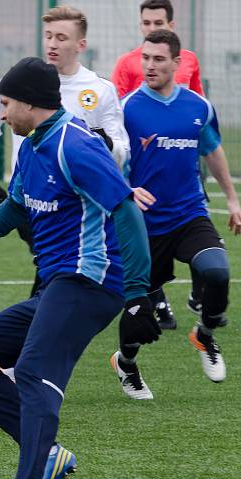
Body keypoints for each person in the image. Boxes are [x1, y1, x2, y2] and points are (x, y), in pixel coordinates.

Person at [0, 57, 159, 479]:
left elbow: (126, 211)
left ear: (29, 103)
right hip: (58, 283)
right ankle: (50, 456)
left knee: (35, 369)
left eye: (5, 104)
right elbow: (16, 208)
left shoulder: (74, 145)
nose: (1, 115)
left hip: (91, 282)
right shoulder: (33, 146)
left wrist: (139, 296)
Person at [110, 30, 240, 399]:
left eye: (158, 59)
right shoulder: (127, 108)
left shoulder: (199, 107)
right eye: (145, 58)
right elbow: (110, 159)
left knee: (217, 271)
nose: (149, 65)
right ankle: (126, 363)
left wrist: (232, 200)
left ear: (176, 63)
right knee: (140, 317)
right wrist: (126, 191)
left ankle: (205, 334)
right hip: (144, 225)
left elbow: (212, 151)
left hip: (189, 215)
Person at [0, 5, 130, 296]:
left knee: (55, 274)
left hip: (79, 207)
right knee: (54, 273)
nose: (52, 44)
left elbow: (123, 151)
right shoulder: (19, 81)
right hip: (33, 198)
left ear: (80, 45)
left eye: (61, 37)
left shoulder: (100, 90)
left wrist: (105, 143)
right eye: (48, 36)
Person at [112, 0, 206, 330]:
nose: (151, 28)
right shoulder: (127, 63)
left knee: (196, 215)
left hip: (182, 157)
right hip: (141, 160)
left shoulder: (189, 60)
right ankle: (157, 297)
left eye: (157, 22)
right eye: (146, 23)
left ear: (171, 23)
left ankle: (200, 289)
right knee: (150, 235)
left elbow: (196, 104)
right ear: (140, 25)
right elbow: (118, 113)